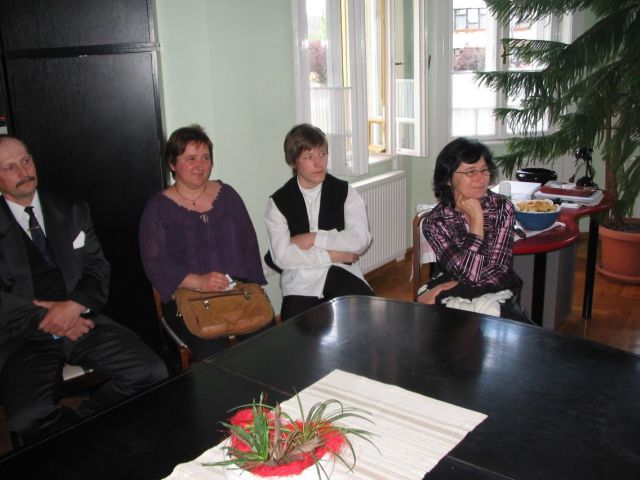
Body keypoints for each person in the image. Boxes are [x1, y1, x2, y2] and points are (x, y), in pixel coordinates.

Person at [0, 135, 168, 442]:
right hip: (24, 335)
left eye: (26, 160)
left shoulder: (72, 210)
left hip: (83, 320)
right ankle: (79, 440)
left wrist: (74, 306)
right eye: (10, 167)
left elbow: (97, 268)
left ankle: (82, 427)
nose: (23, 171)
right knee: (28, 417)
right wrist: (49, 316)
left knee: (152, 372)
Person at [139, 125, 268, 361]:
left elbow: (248, 244)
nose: (200, 165)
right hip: (188, 297)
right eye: (190, 158)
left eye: (205, 157)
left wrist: (253, 286)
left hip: (236, 292)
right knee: (214, 354)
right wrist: (199, 281)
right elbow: (155, 263)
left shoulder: (227, 196)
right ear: (172, 164)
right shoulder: (158, 208)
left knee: (267, 343)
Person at [265, 123, 373, 321]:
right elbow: (282, 257)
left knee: (366, 315)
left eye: (322, 153)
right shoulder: (278, 203)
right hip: (300, 280)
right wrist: (333, 255)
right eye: (309, 157)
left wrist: (312, 238)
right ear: (293, 162)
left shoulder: (346, 193)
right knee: (295, 329)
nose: (319, 163)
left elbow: (360, 240)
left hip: (341, 270)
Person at [417, 137, 527, 321]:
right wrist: (477, 222)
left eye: (484, 170)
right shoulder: (435, 222)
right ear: (449, 178)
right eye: (471, 171)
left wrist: (447, 287)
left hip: (497, 288)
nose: (481, 178)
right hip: (457, 287)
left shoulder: (502, 207)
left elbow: (499, 269)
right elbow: (469, 275)